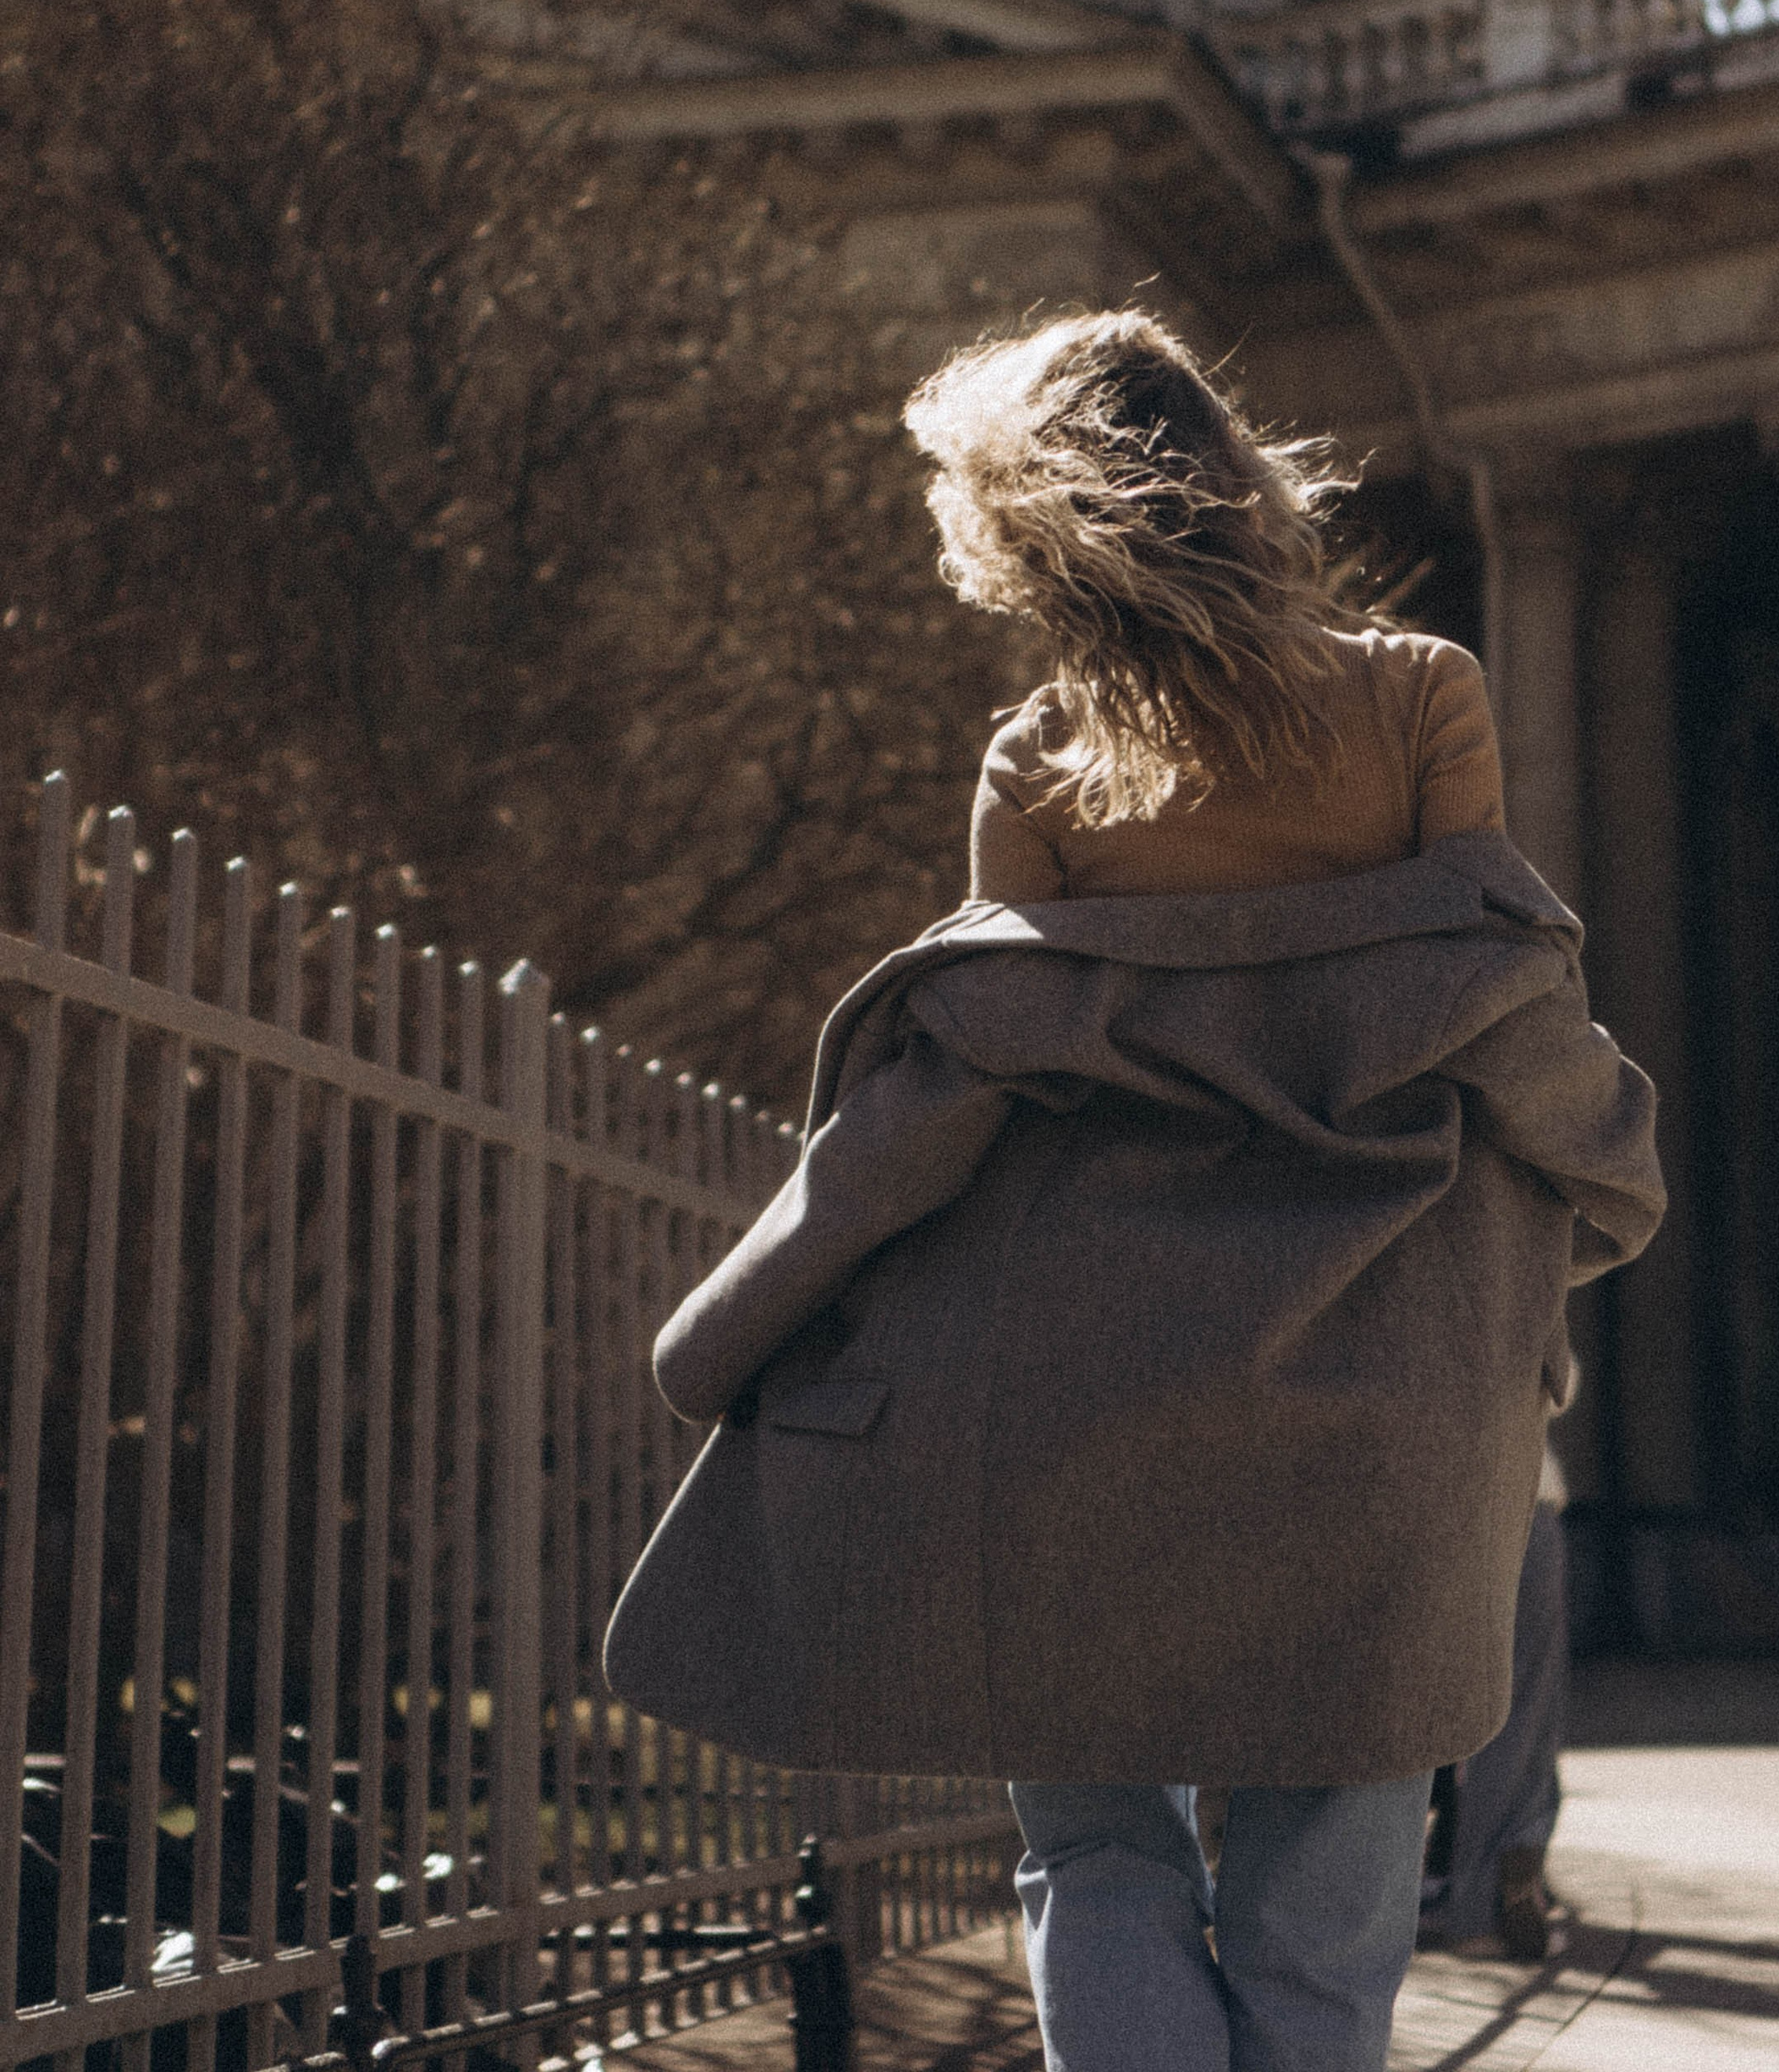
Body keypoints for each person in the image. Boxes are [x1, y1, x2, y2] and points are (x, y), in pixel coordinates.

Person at [605, 311, 1663, 2072]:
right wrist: (1613, 1165)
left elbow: (959, 1082)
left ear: (1024, 535)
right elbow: (1500, 1007)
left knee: (1096, 1858)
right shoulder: (1419, 696)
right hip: (1380, 1391)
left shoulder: (1038, 761)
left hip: (1073, 1399)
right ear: (1242, 483)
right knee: (1327, 1895)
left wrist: (738, 1320)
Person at [1418, 1364, 1575, 1960]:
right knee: (1521, 1707)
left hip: (1416, 1493)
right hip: (1515, 1491)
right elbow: (1559, 1377)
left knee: (1449, 1706)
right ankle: (1491, 1896)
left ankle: (1473, 1885)